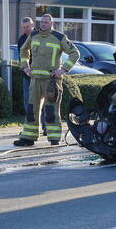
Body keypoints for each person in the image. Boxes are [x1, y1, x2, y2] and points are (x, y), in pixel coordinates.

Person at [15, 13, 79, 146]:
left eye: (46, 22)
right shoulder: (33, 35)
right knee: (31, 109)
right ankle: (28, 138)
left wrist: (63, 70)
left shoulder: (59, 37)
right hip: (35, 79)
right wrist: (25, 67)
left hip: (52, 81)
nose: (43, 24)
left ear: (51, 24)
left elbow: (75, 53)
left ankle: (54, 139)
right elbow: (23, 51)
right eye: (42, 22)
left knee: (51, 110)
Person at [15, 16, 45, 135]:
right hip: (27, 76)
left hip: (41, 76)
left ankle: (45, 127)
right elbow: (22, 56)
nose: (25, 29)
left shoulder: (41, 36)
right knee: (28, 102)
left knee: (43, 102)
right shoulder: (22, 39)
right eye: (23, 27)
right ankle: (29, 128)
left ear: (33, 25)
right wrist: (25, 68)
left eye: (27, 27)